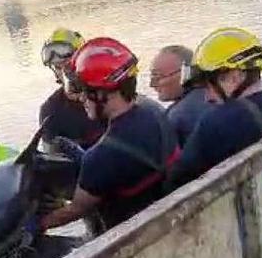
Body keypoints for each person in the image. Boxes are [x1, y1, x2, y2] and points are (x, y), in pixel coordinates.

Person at [39, 37, 180, 236]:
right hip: (169, 214)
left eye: (84, 91)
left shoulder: (101, 156)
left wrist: (35, 224)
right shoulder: (154, 112)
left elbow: (76, 209)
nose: (81, 98)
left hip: (133, 234)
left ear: (102, 93)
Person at [167, 28, 262, 190]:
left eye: (209, 87)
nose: (207, 97)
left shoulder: (213, 124)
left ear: (235, 77)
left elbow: (176, 184)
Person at [38, 28, 106, 151]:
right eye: (58, 67)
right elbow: (51, 156)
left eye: (68, 64)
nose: (65, 72)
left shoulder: (107, 94)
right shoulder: (50, 110)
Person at [150, 44, 216, 147]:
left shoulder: (176, 117)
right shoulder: (218, 96)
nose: (152, 84)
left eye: (158, 76)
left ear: (185, 74)